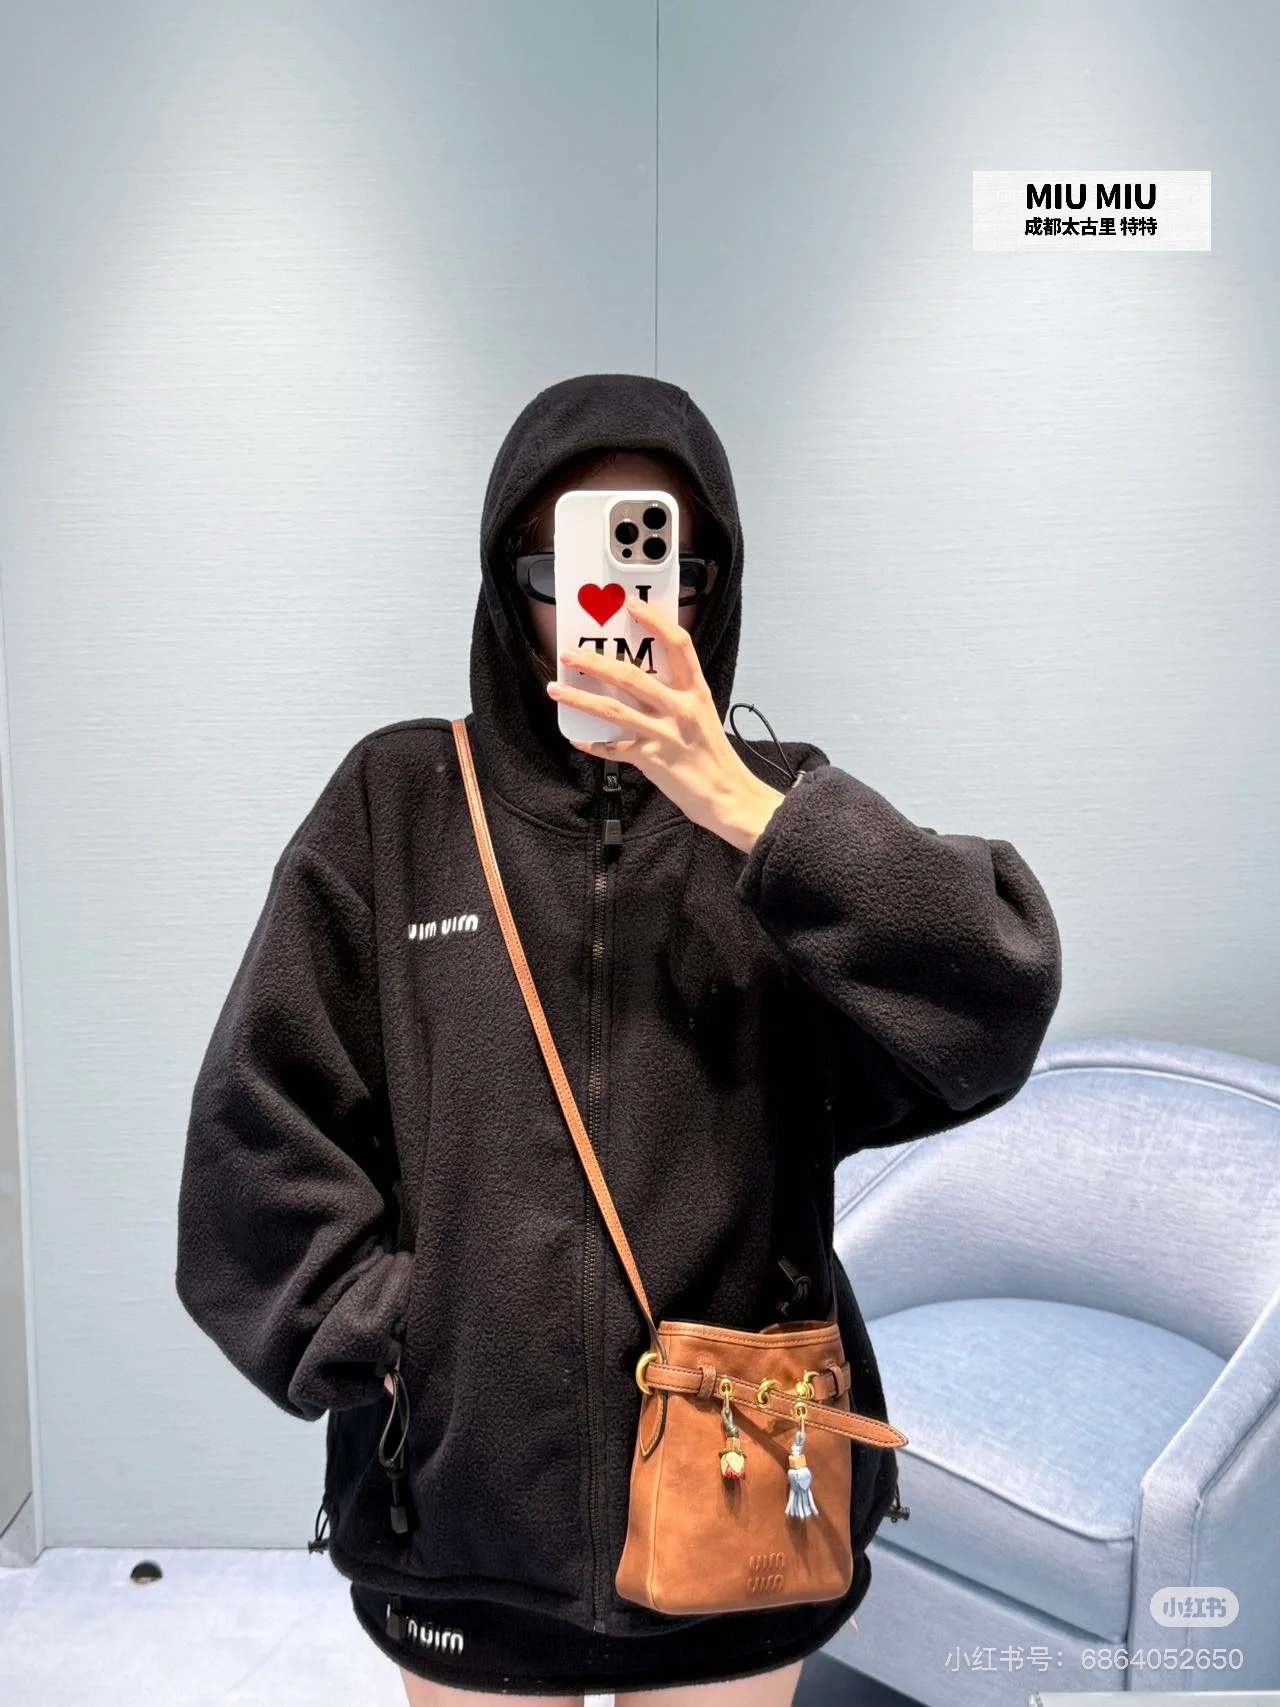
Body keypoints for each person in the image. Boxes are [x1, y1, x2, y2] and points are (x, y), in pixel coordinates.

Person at [175, 372, 1062, 1705]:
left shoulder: (781, 822)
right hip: (461, 1527)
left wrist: (751, 813)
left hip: (740, 1510)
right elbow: (257, 1131)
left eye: (660, 565)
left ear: (710, 586)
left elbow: (996, 995)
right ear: (508, 585)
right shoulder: (398, 806)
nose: (611, 604)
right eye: (564, 567)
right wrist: (405, 1343)